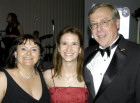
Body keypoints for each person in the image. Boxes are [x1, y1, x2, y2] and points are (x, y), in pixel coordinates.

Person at [83, 3, 140, 103]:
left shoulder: (137, 54)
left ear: (117, 23)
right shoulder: (87, 53)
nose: (99, 29)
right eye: (94, 24)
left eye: (104, 22)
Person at [43, 26, 89, 103]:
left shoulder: (88, 77)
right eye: (64, 43)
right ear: (58, 48)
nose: (69, 49)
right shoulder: (47, 76)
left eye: (74, 44)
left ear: (80, 49)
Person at [0, 34, 50, 103]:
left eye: (34, 49)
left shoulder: (45, 77)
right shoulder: (2, 78)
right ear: (15, 54)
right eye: (23, 48)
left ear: (39, 56)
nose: (28, 53)